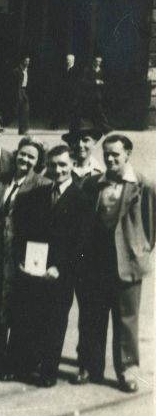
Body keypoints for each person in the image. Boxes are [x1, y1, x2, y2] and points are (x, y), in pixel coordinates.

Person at [3, 145, 91, 386]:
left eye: (63, 164)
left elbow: (81, 244)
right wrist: (21, 259)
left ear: (72, 164)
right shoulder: (38, 195)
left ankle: (48, 372)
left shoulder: (81, 200)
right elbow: (23, 232)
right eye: (52, 165)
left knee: (54, 322)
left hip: (60, 274)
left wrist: (60, 268)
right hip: (33, 267)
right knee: (25, 317)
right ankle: (18, 366)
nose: (58, 170)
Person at [76, 135, 155, 393]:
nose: (110, 159)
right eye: (107, 154)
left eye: (116, 155)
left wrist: (141, 248)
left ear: (127, 155)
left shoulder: (143, 185)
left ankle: (126, 371)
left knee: (126, 319)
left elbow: (151, 222)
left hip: (128, 263)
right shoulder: (92, 184)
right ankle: (90, 366)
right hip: (96, 262)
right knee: (92, 316)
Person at [0, 136, 47, 355]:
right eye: (23, 154)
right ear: (16, 154)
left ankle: (17, 350)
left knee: (18, 297)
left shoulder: (41, 184)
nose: (25, 159)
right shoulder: (1, 179)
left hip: (22, 248)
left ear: (37, 162)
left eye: (31, 157)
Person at [63, 119, 105, 184]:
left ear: (94, 143)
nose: (80, 145)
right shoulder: (59, 169)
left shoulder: (101, 173)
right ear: (70, 144)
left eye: (85, 140)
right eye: (75, 140)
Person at [52, 54, 82, 129]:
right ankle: (54, 125)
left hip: (73, 94)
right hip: (63, 93)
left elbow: (78, 82)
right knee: (58, 108)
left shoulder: (77, 70)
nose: (67, 61)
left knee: (74, 111)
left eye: (69, 60)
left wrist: (76, 93)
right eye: (66, 59)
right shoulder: (63, 69)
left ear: (73, 61)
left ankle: (75, 126)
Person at [81, 56, 111, 132]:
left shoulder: (101, 71)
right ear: (93, 61)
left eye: (100, 62)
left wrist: (102, 83)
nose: (98, 63)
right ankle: (101, 127)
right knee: (93, 111)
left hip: (98, 95)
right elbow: (83, 82)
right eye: (97, 61)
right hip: (89, 95)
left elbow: (106, 82)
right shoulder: (87, 70)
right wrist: (95, 82)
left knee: (99, 111)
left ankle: (105, 127)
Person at [12, 56, 31, 135]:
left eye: (28, 61)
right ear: (22, 61)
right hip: (18, 91)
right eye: (26, 61)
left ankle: (23, 129)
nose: (27, 63)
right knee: (15, 112)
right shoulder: (16, 71)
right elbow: (15, 85)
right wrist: (18, 95)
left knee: (25, 110)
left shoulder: (27, 71)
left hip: (24, 91)